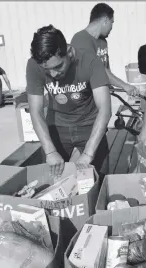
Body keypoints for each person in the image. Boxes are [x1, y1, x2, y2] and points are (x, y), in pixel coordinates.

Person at [27, 25, 112, 177]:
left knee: (99, 180)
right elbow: (36, 111)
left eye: (58, 66)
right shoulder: (33, 65)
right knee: (51, 180)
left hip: (89, 125)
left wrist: (88, 153)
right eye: (47, 70)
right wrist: (50, 151)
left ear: (68, 52)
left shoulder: (90, 61)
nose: (53, 74)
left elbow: (105, 109)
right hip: (57, 126)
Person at [71, 3, 138, 96]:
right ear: (105, 20)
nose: (112, 27)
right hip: (87, 100)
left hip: (102, 93)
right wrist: (124, 85)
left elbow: (106, 69)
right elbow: (98, 70)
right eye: (112, 22)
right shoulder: (80, 39)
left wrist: (112, 86)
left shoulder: (103, 42)